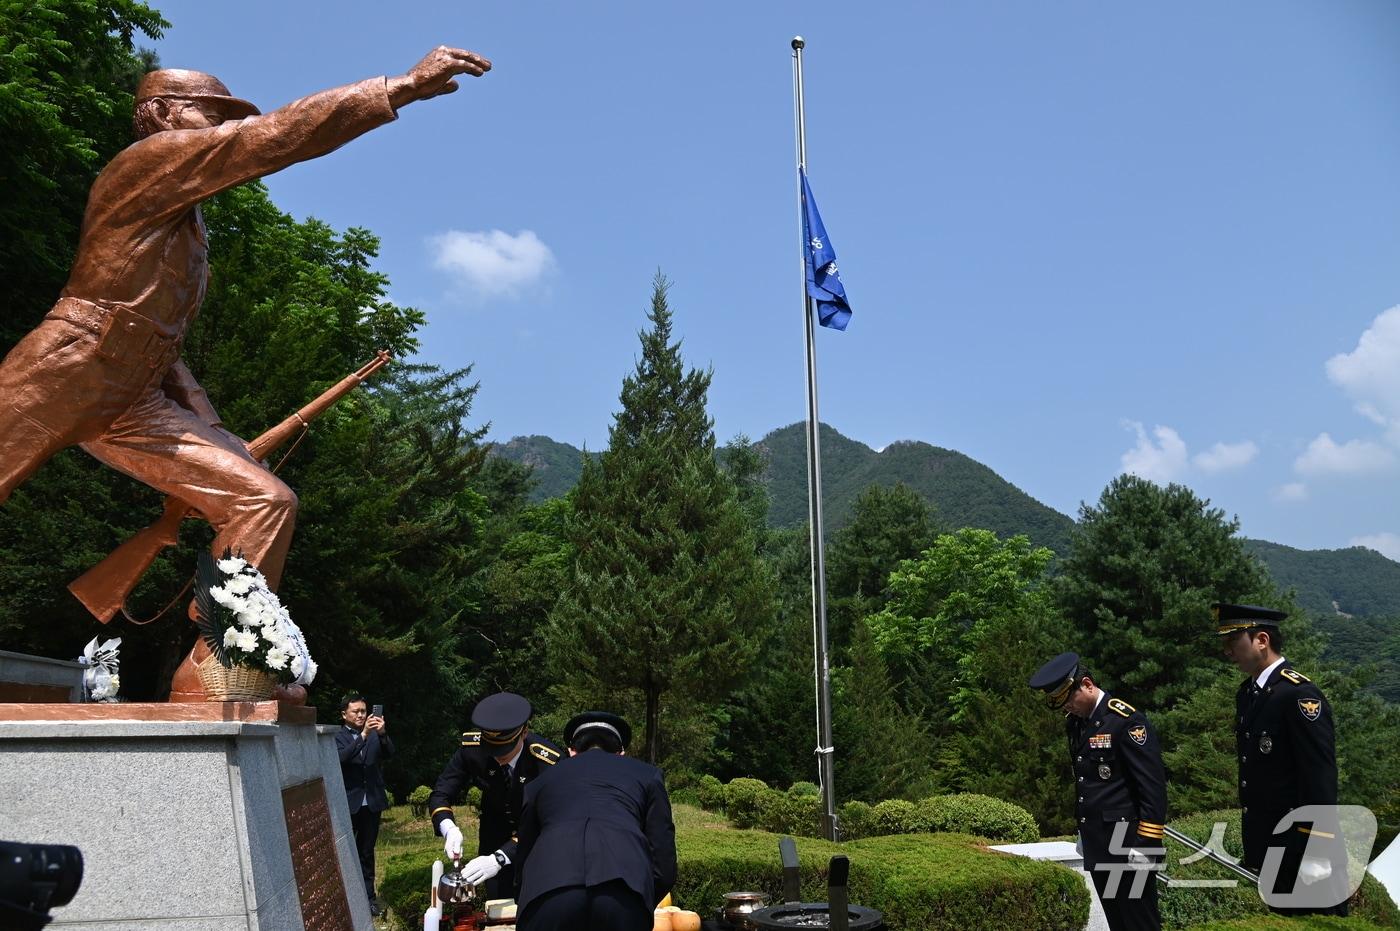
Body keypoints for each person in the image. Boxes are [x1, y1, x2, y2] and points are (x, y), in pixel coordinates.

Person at [0, 45, 491, 700]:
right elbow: (275, 136)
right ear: (165, 113)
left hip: (134, 392)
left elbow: (163, 345)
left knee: (264, 498)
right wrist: (399, 87)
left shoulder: (188, 228)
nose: (225, 126)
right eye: (213, 113)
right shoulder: (148, 164)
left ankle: (217, 667)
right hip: (65, 365)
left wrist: (216, 433)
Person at [1215, 602, 1348, 915]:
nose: (1228, 652)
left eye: (1234, 642)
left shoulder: (1298, 694)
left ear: (1262, 640)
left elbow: (1319, 776)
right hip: (1267, 843)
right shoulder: (1247, 694)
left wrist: (1318, 849)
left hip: (1302, 849)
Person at [1029, 652, 1167, 931]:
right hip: (1100, 844)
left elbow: (1152, 787)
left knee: (1141, 924)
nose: (1068, 708)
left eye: (1069, 699)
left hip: (1129, 846)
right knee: (1118, 923)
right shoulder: (1077, 724)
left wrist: (1147, 844)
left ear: (1088, 684)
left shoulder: (1125, 721)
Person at [515, 711, 677, 931]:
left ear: (571, 751)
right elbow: (664, 864)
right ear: (621, 752)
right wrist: (639, 898)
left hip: (549, 892)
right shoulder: (648, 775)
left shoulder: (539, 783)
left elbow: (523, 856)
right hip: (623, 893)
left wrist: (528, 898)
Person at [428, 692, 562, 900]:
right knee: (497, 906)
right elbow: (441, 793)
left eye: (505, 751)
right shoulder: (472, 751)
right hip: (493, 837)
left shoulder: (546, 762)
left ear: (524, 732)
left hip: (536, 846)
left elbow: (549, 820)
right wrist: (449, 828)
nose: (498, 758)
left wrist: (500, 858)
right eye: (492, 750)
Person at [335, 693, 393, 916]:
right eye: (355, 711)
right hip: (350, 802)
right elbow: (342, 759)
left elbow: (390, 753)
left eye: (363, 711)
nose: (361, 715)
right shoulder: (338, 737)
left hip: (372, 802)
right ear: (344, 714)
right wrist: (363, 735)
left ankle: (369, 898)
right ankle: (348, 898)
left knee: (367, 852)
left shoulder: (375, 734)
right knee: (347, 852)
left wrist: (383, 733)